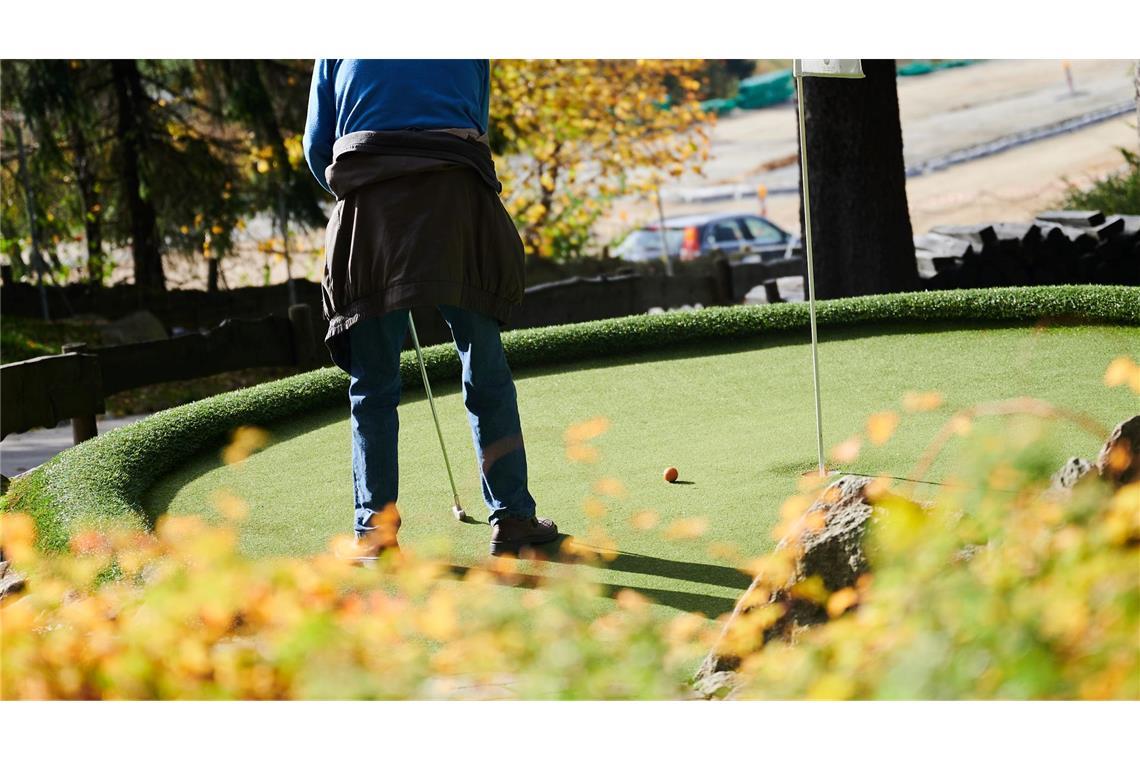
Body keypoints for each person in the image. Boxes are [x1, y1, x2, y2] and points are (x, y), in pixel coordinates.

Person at [303, 59, 557, 557]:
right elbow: (476, 124)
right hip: (456, 201)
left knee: (373, 385)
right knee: (484, 366)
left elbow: (318, 149)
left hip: (372, 209)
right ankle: (512, 517)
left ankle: (374, 534)